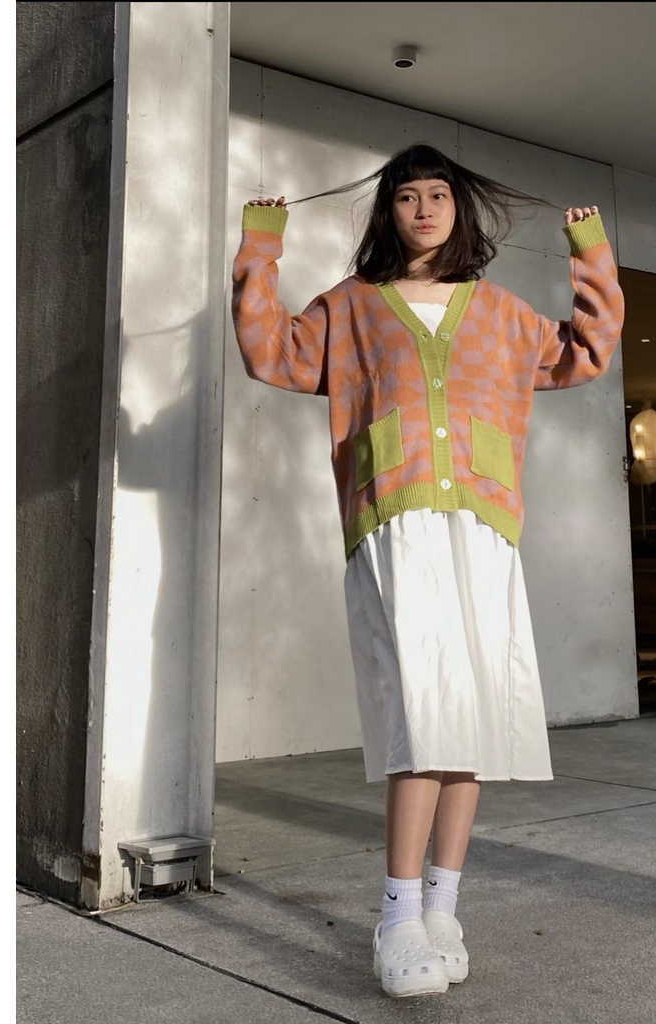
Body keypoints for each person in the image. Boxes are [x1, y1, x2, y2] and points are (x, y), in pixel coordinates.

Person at [231, 143, 624, 998]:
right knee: (422, 713)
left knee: (470, 722)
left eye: (437, 194)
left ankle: (443, 908)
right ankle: (398, 915)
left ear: (459, 207)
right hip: (396, 520)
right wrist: (261, 244)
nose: (422, 209)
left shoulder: (501, 313)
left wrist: (592, 255)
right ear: (388, 212)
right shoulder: (353, 306)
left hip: (482, 525)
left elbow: (586, 351)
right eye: (406, 196)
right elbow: (270, 351)